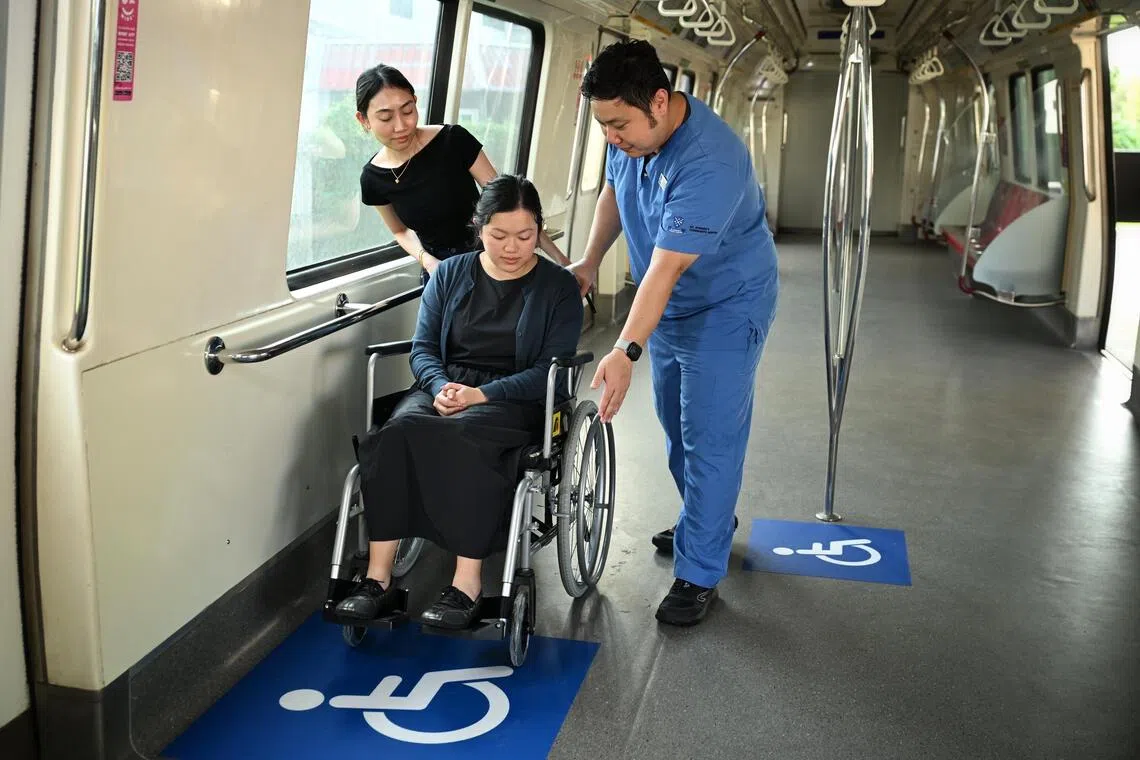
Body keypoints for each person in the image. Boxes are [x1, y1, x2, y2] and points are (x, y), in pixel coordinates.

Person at [569, 40, 779, 627]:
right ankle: (707, 520)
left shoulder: (710, 159)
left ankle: (700, 571)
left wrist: (623, 348)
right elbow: (615, 191)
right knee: (674, 426)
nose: (611, 137)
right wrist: (589, 261)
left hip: (726, 304)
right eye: (602, 126)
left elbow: (666, 267)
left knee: (709, 436)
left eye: (618, 125)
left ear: (659, 102)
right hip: (667, 307)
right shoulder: (631, 139)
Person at [336, 174, 583, 630]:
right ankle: (377, 579)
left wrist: (481, 395)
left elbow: (549, 369)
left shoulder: (559, 288)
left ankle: (466, 584)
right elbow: (423, 348)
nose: (513, 247)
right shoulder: (450, 273)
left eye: (525, 235)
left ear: (539, 229)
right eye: (499, 235)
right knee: (395, 434)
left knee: (465, 437)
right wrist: (439, 387)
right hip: (445, 388)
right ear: (478, 226)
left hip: (514, 396)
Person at [355, 64, 570, 283]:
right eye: (386, 118)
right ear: (364, 120)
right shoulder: (373, 179)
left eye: (408, 111)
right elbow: (400, 231)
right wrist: (429, 262)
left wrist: (562, 261)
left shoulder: (453, 140)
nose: (401, 125)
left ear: (415, 102)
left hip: (488, 259)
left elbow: (511, 202)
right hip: (439, 270)